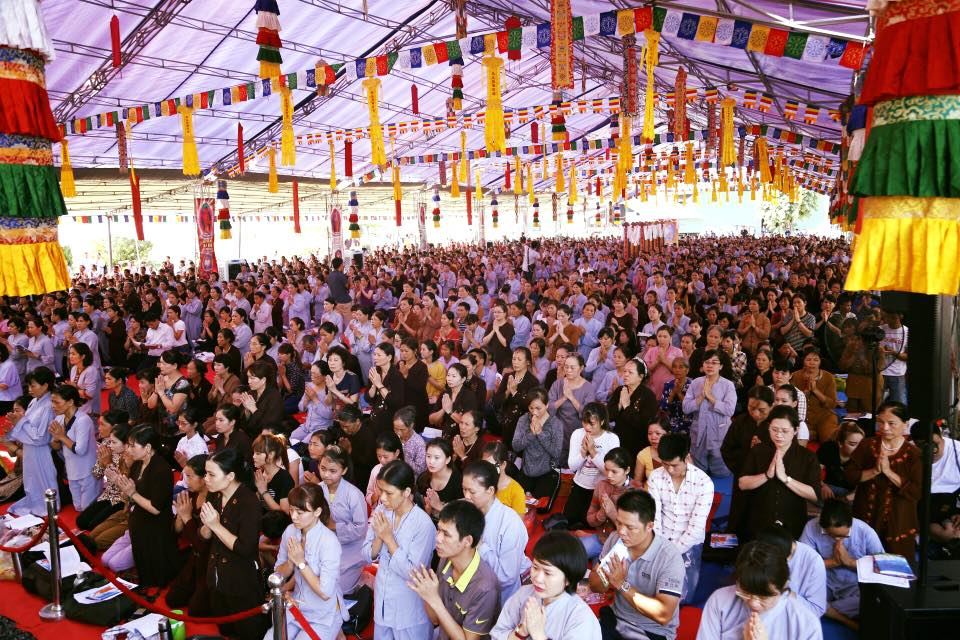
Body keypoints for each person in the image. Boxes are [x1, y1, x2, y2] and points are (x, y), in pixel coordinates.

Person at [590, 490, 684, 640]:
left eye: (630, 527)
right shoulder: (615, 540)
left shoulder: (669, 557)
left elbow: (664, 615)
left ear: (649, 526)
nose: (621, 531)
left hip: (653, 631)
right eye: (619, 523)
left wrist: (621, 584)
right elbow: (595, 585)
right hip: (617, 618)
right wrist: (605, 577)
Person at [363, 460, 438, 640]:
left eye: (389, 493)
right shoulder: (381, 511)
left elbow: (413, 573)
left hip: (409, 611)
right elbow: (366, 554)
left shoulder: (423, 524)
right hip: (382, 603)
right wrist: (379, 538)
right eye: (381, 490)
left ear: (406, 492)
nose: (382, 498)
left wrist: (388, 538)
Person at [407, 500, 501, 640]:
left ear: (467, 541)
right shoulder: (446, 560)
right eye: (439, 530)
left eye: (446, 534)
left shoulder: (485, 587)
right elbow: (435, 620)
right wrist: (427, 595)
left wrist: (434, 599)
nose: (438, 538)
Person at [200, 448, 269, 640]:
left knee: (248, 632)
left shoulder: (248, 501)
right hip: (216, 574)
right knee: (225, 630)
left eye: (211, 474)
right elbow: (203, 536)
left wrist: (216, 525)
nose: (206, 479)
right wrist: (207, 526)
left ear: (230, 476)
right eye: (205, 473)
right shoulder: (214, 495)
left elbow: (245, 548)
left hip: (241, 578)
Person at [266, 484, 347, 640]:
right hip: (296, 607)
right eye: (291, 510)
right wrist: (291, 563)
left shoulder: (329, 541)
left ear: (317, 512)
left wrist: (301, 563)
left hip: (323, 615)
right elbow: (278, 573)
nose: (293, 516)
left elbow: (325, 593)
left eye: (300, 512)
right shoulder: (290, 531)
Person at [696, 541, 823, 640]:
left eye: (764, 597)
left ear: (784, 586)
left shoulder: (806, 624)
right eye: (745, 593)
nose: (753, 604)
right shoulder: (720, 601)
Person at [845, 401, 922, 558]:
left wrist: (888, 472)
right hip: (866, 514)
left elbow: (916, 492)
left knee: (895, 564)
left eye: (891, 423)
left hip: (899, 519)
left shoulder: (914, 454)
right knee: (863, 560)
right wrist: (875, 470)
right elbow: (849, 476)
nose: (884, 428)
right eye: (880, 422)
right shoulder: (867, 445)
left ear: (905, 424)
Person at [491, 531, 601, 640]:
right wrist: (522, 631)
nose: (537, 578)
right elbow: (498, 633)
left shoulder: (581, 618)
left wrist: (539, 634)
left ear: (568, 579)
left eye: (548, 573)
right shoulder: (523, 594)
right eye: (535, 567)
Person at [647, 433, 715, 604]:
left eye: (674, 465)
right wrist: (659, 547)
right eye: (665, 464)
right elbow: (655, 517)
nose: (669, 470)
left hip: (689, 544)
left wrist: (671, 554)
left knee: (681, 598)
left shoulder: (704, 483)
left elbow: (696, 528)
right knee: (648, 589)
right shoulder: (655, 476)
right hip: (661, 540)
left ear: (687, 457)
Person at [738, 405, 821, 540]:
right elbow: (742, 484)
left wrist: (786, 479)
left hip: (792, 522)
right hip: (759, 521)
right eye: (774, 429)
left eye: (785, 431)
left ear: (796, 430)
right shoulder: (758, 451)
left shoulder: (807, 457)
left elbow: (815, 495)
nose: (778, 435)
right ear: (768, 427)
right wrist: (766, 475)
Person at [800, 499, 884, 630]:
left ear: (850, 523)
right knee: (797, 592)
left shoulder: (865, 532)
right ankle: (842, 618)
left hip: (855, 586)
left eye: (843, 536)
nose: (837, 540)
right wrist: (832, 562)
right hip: (825, 582)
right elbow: (803, 565)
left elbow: (882, 568)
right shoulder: (811, 527)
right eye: (831, 535)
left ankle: (825, 610)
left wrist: (849, 562)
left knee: (873, 602)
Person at [115, 424, 182, 586]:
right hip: (138, 520)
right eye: (128, 445)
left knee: (155, 571)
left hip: (155, 527)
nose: (129, 449)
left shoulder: (162, 469)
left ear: (148, 448)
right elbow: (131, 494)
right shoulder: (138, 464)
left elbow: (156, 508)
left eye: (133, 446)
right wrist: (124, 488)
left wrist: (132, 493)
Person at [462, 460, 530, 602]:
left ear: (491, 491)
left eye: (472, 492)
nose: (467, 496)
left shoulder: (510, 524)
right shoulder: (466, 511)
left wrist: (480, 546)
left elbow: (506, 577)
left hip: (500, 599)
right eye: (464, 490)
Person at [313, 445, 368, 595]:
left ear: (343, 471)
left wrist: (334, 526)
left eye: (333, 471)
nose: (326, 475)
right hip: (321, 547)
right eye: (323, 469)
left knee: (337, 590)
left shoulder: (354, 494)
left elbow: (361, 528)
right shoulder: (317, 489)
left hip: (349, 553)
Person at [4, 367, 58, 515]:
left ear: (45, 386)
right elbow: (26, 424)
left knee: (43, 480)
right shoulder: (34, 401)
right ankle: (35, 503)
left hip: (41, 450)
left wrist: (20, 422)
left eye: (33, 386)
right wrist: (16, 425)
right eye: (29, 386)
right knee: (31, 481)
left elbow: (41, 437)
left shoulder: (48, 406)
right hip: (30, 448)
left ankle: (48, 506)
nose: (29, 389)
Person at [166, 454, 212, 615]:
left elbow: (202, 544)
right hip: (193, 557)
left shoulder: (214, 500)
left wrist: (187, 518)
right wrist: (180, 518)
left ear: (204, 478)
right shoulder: (191, 495)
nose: (186, 482)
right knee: (172, 599)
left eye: (190, 476)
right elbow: (177, 531)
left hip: (209, 560)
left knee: (196, 610)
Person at [565, 402, 621, 528]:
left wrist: (593, 452)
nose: (587, 427)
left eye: (592, 423)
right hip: (580, 485)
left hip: (601, 489)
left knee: (591, 525)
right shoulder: (577, 434)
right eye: (584, 422)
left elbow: (610, 472)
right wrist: (583, 453)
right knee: (569, 522)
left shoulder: (612, 438)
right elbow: (572, 467)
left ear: (602, 422)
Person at [683, 349, 737, 477]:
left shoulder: (728, 385)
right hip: (698, 433)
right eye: (707, 362)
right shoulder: (696, 383)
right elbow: (685, 408)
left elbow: (729, 410)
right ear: (702, 365)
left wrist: (710, 397)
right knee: (698, 474)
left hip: (720, 434)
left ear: (721, 366)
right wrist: (701, 396)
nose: (710, 365)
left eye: (714, 362)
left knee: (721, 474)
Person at [756, 523, 827, 620]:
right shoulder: (761, 553)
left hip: (794, 617)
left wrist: (785, 590)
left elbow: (816, 610)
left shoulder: (813, 561)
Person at [580, 448, 639, 560]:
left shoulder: (637, 492)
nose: (609, 475)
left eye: (614, 471)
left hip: (621, 545)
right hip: (600, 539)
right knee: (569, 554)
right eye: (607, 470)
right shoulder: (601, 485)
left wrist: (612, 513)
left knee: (601, 569)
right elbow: (590, 520)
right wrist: (602, 513)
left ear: (627, 470)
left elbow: (632, 533)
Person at [48, 384, 100, 511]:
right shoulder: (59, 418)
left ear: (70, 402)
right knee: (78, 507)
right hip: (72, 470)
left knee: (87, 509)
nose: (53, 406)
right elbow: (55, 446)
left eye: (57, 402)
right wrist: (56, 438)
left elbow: (80, 450)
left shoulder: (83, 420)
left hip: (88, 471)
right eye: (52, 402)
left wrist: (61, 436)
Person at [512, 387, 563, 507]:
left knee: (541, 508)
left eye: (538, 408)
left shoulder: (556, 424)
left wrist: (540, 433)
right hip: (526, 471)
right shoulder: (523, 420)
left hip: (547, 472)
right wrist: (531, 434)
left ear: (547, 405)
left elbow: (556, 453)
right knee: (518, 504)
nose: (534, 412)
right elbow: (516, 446)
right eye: (531, 408)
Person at [548, 353, 596, 464]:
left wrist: (571, 397)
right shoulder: (558, 384)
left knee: (575, 464)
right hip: (559, 431)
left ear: (581, 368)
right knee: (557, 465)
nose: (568, 370)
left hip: (579, 431)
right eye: (566, 367)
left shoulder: (588, 387)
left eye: (572, 367)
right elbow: (549, 408)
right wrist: (564, 397)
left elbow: (588, 414)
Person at [606, 358, 658, 459]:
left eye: (630, 372)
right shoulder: (620, 390)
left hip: (638, 444)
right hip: (618, 440)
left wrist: (626, 406)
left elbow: (644, 424)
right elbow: (609, 416)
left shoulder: (648, 396)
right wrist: (619, 405)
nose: (625, 374)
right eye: (625, 371)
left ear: (640, 376)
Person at [492, 347, 540, 446]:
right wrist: (508, 391)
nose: (515, 362)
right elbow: (496, 401)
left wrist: (514, 392)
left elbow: (529, 406)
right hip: (506, 421)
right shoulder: (507, 376)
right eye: (514, 359)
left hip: (523, 425)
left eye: (519, 359)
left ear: (527, 362)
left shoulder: (533, 382)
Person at [791, 349, 838, 442]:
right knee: (797, 438)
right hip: (802, 418)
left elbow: (832, 404)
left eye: (816, 360)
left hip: (824, 417)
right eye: (808, 359)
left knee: (829, 440)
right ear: (803, 361)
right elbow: (791, 401)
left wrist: (815, 391)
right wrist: (805, 393)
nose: (812, 363)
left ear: (820, 362)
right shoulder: (795, 376)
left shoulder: (829, 377)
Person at [419, 438, 464, 521]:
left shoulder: (458, 481)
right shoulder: (422, 478)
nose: (431, 461)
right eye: (428, 456)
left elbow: (461, 515)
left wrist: (438, 506)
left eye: (437, 458)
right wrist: (427, 511)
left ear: (448, 459)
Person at [817, 421, 864, 500]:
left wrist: (847, 499)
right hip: (830, 488)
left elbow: (863, 485)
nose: (858, 448)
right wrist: (822, 485)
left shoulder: (864, 454)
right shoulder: (828, 448)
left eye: (861, 444)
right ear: (840, 443)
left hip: (853, 493)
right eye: (853, 444)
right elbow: (813, 472)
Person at [366, 342, 406, 435]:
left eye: (379, 355)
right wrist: (373, 385)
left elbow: (395, 402)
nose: (375, 357)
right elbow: (368, 398)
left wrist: (379, 384)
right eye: (374, 354)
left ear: (389, 357)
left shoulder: (396, 375)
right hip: (375, 417)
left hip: (390, 420)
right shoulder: (375, 372)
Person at [252, 433, 295, 513]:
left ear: (271, 454)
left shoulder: (284, 478)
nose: (253, 456)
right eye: (254, 453)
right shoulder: (259, 473)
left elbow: (284, 513)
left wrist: (263, 491)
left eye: (258, 453)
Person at [482, 441, 527, 517]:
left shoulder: (516, 491)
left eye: (491, 465)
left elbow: (517, 522)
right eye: (484, 464)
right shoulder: (480, 483)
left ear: (503, 465)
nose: (487, 469)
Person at [239, 361, 284, 436]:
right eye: (248, 377)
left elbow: (269, 426)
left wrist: (254, 409)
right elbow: (242, 424)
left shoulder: (275, 397)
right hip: (249, 434)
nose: (249, 381)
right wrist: (247, 411)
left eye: (252, 378)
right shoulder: (251, 393)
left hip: (265, 437)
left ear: (263, 380)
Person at [366, 431, 403, 506]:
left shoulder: (403, 471)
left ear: (397, 453)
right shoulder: (376, 470)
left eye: (386, 457)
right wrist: (375, 495)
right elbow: (368, 495)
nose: (382, 460)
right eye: (379, 456)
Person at [659, 357, 693, 435]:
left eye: (681, 367)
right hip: (671, 425)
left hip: (689, 425)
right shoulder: (668, 385)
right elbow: (663, 408)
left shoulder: (693, 385)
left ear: (687, 370)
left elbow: (690, 408)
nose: (677, 370)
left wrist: (679, 393)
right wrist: (673, 393)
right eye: (674, 367)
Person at [393, 405, 427, 476]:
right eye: (396, 428)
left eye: (402, 429)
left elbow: (421, 470)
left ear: (411, 425)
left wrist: (406, 456)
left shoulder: (419, 444)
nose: (398, 433)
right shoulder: (394, 437)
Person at [634, 421, 668, 489]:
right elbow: (637, 483)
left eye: (658, 433)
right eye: (650, 433)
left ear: (668, 434)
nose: (653, 437)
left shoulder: (679, 452)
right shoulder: (643, 454)